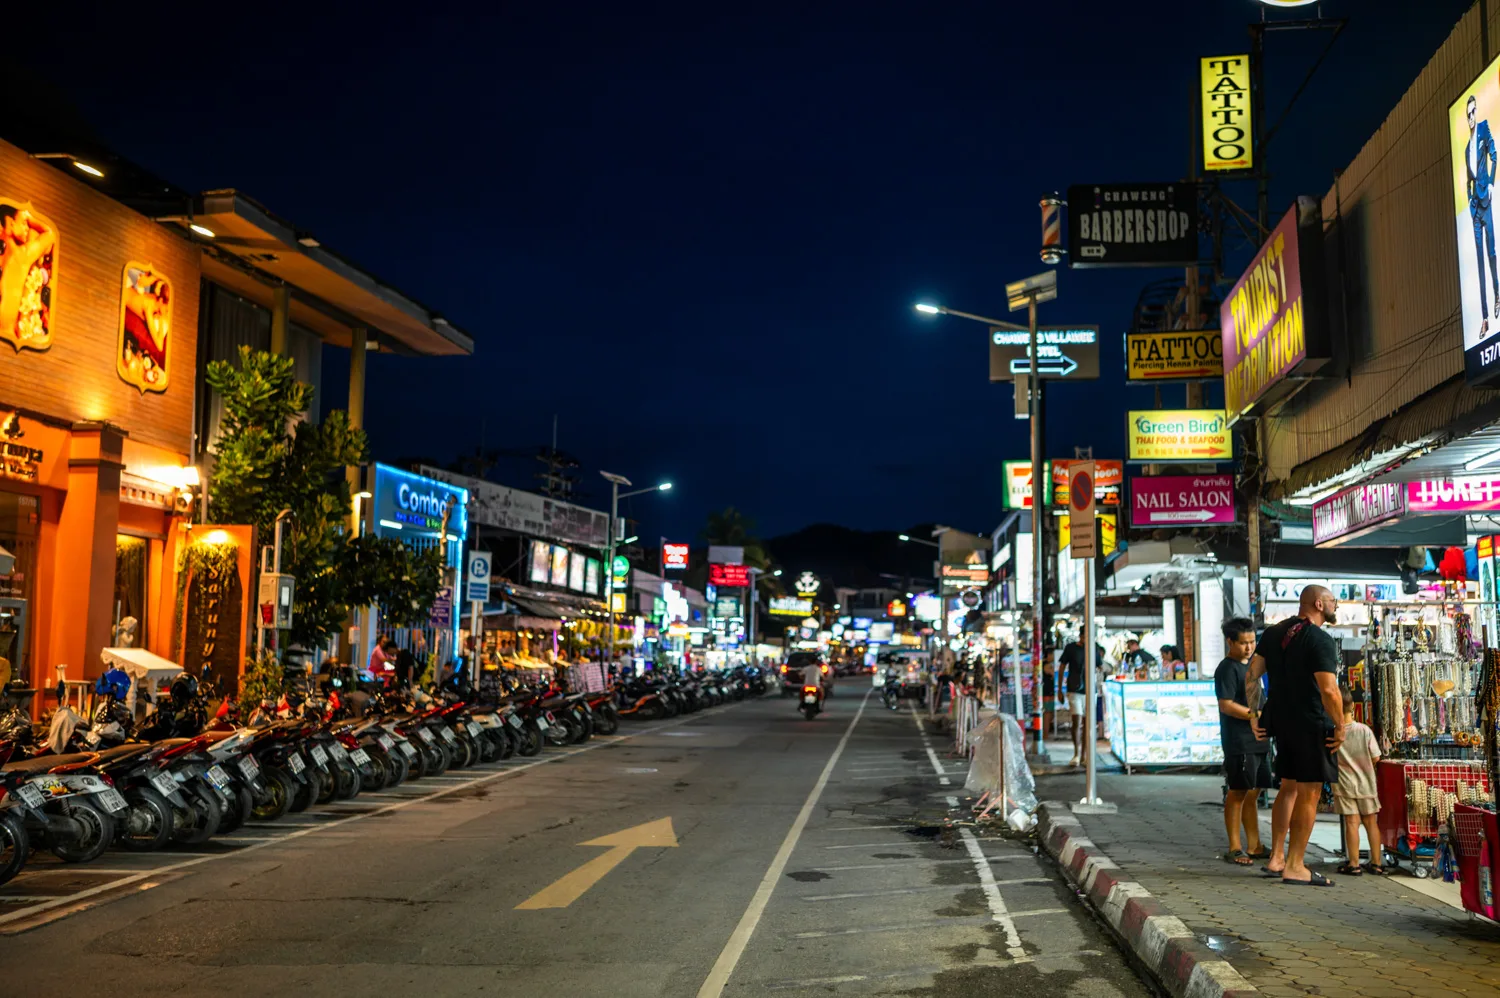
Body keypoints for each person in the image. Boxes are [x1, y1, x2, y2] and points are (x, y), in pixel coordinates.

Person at [1246, 584, 1344, 886]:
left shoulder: (1275, 633)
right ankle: (1296, 865)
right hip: (1311, 722)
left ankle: (1277, 857)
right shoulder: (1320, 639)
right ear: (1318, 604)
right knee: (1310, 792)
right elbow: (1328, 689)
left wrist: (1254, 714)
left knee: (1288, 787)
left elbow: (1252, 673)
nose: (1335, 606)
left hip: (1282, 721)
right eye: (1332, 602)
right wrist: (1340, 725)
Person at [1215, 617, 1269, 866]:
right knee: (1238, 791)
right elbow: (1225, 705)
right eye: (1244, 643)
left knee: (1253, 791)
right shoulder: (1227, 668)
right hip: (1239, 740)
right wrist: (1254, 715)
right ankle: (1235, 847)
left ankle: (1255, 845)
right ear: (1230, 642)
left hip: (1258, 738)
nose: (1249, 647)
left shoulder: (1251, 666)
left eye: (1252, 641)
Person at [1334, 687, 1386, 876]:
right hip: (1366, 784)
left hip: (1344, 784)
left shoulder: (1334, 734)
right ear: (1353, 707)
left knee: (1351, 823)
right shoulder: (1364, 730)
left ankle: (1354, 864)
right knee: (1371, 823)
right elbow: (1376, 757)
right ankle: (1377, 863)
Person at [1467, 93, 1500, 336]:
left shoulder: (1484, 128)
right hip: (1475, 211)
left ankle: (1498, 296)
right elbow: (1468, 179)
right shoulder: (1467, 147)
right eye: (1467, 114)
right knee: (1478, 264)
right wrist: (1470, 202)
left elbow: (1494, 155)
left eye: (1472, 112)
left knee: (1491, 255)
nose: (1470, 117)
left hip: (1486, 203)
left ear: (1476, 111)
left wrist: (1491, 183)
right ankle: (1485, 317)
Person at [1060, 636, 1088, 766]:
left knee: (1087, 724)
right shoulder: (1071, 648)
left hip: (1090, 691)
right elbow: (1062, 667)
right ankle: (1076, 754)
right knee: (1076, 720)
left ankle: (1084, 755)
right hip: (1074, 689)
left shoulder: (1094, 647)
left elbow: (1100, 666)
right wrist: (1059, 689)